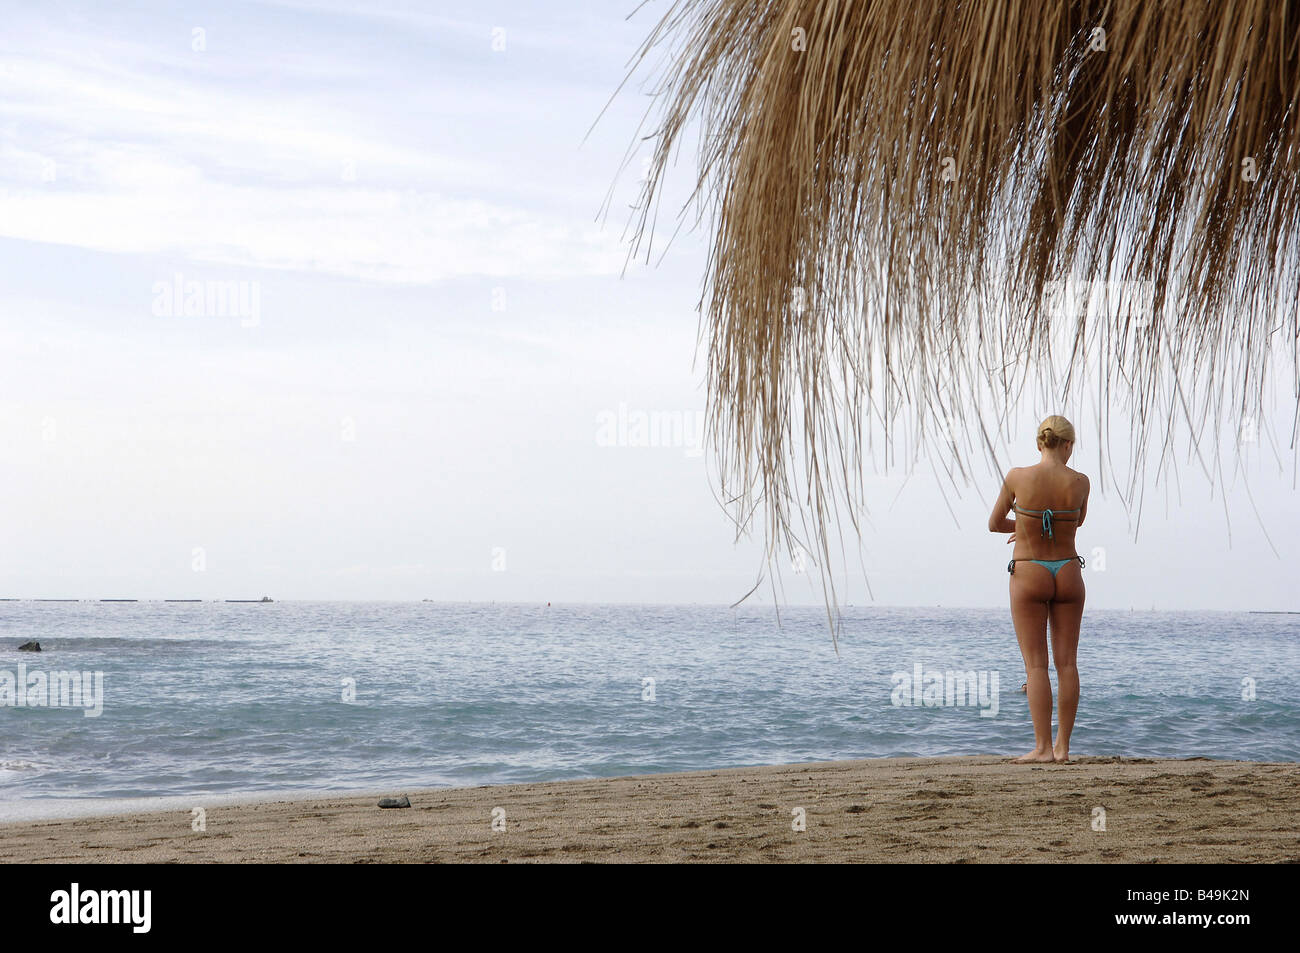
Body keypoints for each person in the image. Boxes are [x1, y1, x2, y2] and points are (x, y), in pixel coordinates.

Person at [987, 416, 1089, 764]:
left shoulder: (1017, 476)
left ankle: (1042, 748)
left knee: (1036, 667)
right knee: (1068, 665)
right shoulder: (1080, 482)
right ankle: (1063, 748)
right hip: (1069, 571)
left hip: (1030, 571)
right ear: (1068, 446)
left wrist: (1024, 524)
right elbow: (1077, 521)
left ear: (1039, 443)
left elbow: (994, 523)